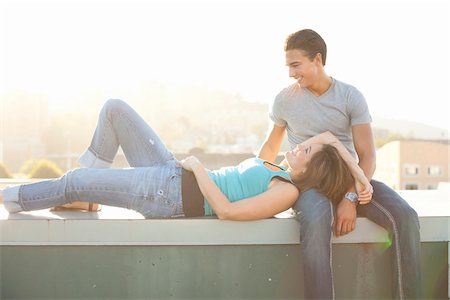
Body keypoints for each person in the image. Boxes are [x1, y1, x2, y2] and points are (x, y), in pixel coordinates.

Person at [1, 99, 372, 221]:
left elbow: (226, 211)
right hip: (171, 172)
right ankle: (88, 191)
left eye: (304, 151)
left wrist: (196, 167)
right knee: (115, 109)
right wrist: (345, 157)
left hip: (172, 196)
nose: (298, 145)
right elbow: (326, 140)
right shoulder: (274, 166)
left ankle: (12, 198)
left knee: (73, 180)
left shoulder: (285, 190)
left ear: (311, 169)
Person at [258, 29, 421, 299]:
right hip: (309, 186)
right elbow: (270, 147)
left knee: (405, 217)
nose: (291, 73)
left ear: (318, 60)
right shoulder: (284, 99)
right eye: (288, 66)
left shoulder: (349, 96)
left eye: (296, 65)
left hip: (349, 180)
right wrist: (258, 180)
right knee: (317, 218)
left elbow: (367, 156)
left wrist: (350, 197)